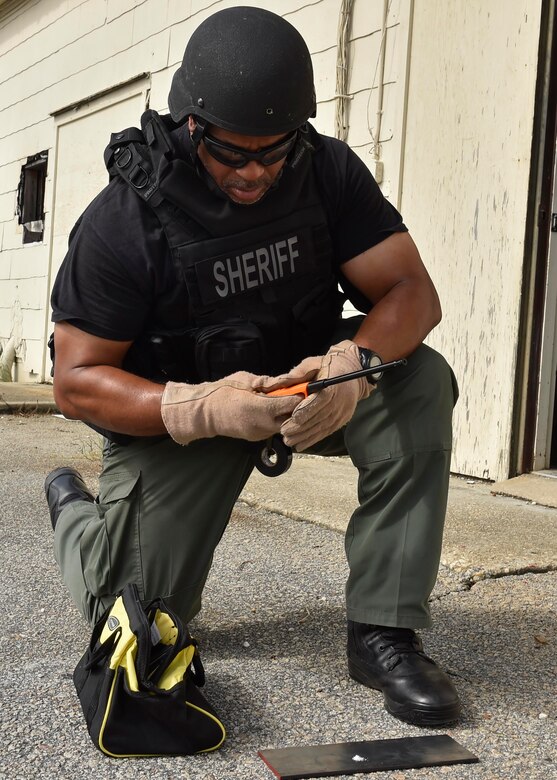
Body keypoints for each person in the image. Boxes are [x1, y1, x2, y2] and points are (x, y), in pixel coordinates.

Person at [45, 6, 460, 727]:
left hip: (303, 387)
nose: (254, 173)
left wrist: (354, 364)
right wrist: (200, 408)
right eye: (232, 154)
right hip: (183, 415)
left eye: (273, 151)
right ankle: (77, 513)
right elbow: (76, 379)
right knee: (134, 615)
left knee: (417, 376)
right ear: (190, 127)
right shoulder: (124, 219)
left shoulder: (324, 169)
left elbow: (410, 293)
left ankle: (384, 630)